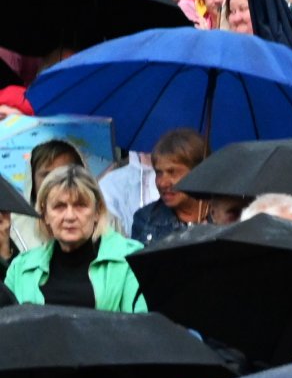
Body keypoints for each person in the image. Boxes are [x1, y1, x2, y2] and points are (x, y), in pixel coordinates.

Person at [5, 167, 144, 311]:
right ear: (45, 214)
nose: (70, 216)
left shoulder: (131, 260)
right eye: (59, 206)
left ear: (97, 211)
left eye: (80, 205)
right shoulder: (21, 268)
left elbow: (142, 326)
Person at [129, 127, 209, 245]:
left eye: (172, 172)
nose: (162, 183)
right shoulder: (145, 220)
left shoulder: (227, 214)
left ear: (198, 171)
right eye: (158, 173)